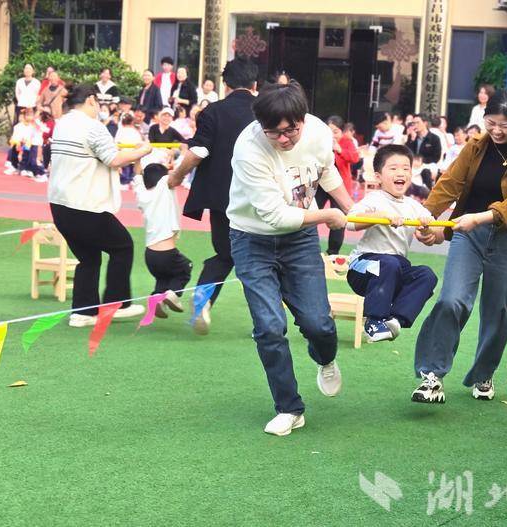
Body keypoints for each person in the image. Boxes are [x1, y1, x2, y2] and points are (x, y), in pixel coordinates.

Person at [226, 81, 353, 436]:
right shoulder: (249, 149)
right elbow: (276, 216)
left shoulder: (318, 132)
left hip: (300, 239)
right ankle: (289, 408)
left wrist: (351, 208)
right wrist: (328, 216)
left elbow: (327, 171)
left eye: (290, 130)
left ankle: (325, 358)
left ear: (303, 119)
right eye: (274, 132)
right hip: (251, 238)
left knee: (318, 324)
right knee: (269, 326)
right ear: (261, 126)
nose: (284, 139)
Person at [411, 88, 507, 404]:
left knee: (500, 313)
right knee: (451, 300)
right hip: (469, 234)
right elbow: (450, 183)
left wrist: (482, 217)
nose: (497, 131)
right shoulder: (476, 145)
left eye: (506, 125)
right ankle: (432, 376)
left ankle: (484, 372)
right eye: (492, 123)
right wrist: (427, 215)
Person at [48, 84, 153, 327]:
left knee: (89, 257)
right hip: (84, 205)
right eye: (98, 103)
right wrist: (143, 150)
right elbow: (114, 159)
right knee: (122, 246)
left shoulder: (62, 124)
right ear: (91, 100)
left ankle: (83, 313)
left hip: (59, 205)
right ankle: (117, 305)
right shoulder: (92, 126)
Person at [166, 58, 259, 334]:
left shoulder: (212, 112)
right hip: (260, 197)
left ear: (225, 84)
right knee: (263, 259)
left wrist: (176, 176)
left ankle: (203, 298)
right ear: (255, 85)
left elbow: (199, 152)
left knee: (225, 253)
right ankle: (268, 321)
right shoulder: (266, 111)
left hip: (222, 197)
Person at [345, 144, 438, 342]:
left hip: (395, 270)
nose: (400, 173)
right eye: (393, 168)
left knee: (426, 275)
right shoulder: (374, 199)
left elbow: (433, 234)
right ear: (378, 176)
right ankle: (373, 321)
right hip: (362, 267)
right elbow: (351, 222)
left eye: (406, 168)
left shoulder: (413, 206)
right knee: (389, 263)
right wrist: (380, 216)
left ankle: (395, 320)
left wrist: (427, 229)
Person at [134, 158, 192, 317]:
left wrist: (138, 159)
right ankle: (173, 294)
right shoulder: (164, 187)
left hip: (150, 255)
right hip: (166, 253)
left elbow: (137, 175)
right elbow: (176, 174)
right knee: (185, 268)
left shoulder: (141, 193)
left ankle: (156, 299)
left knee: (163, 277)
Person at [316, 117, 357, 255]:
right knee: (312, 212)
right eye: (329, 131)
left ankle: (333, 252)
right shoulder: (320, 141)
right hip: (321, 184)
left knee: (339, 218)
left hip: (340, 186)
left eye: (336, 131)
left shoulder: (347, 142)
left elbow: (354, 158)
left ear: (342, 132)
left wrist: (339, 150)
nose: (332, 135)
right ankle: (310, 247)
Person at [406, 114, 442, 184]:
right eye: (413, 123)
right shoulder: (412, 137)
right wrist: (412, 140)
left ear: (425, 123)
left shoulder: (434, 138)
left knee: (426, 172)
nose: (415, 125)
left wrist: (421, 161)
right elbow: (406, 153)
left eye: (417, 123)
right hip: (413, 164)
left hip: (427, 165)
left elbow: (436, 157)